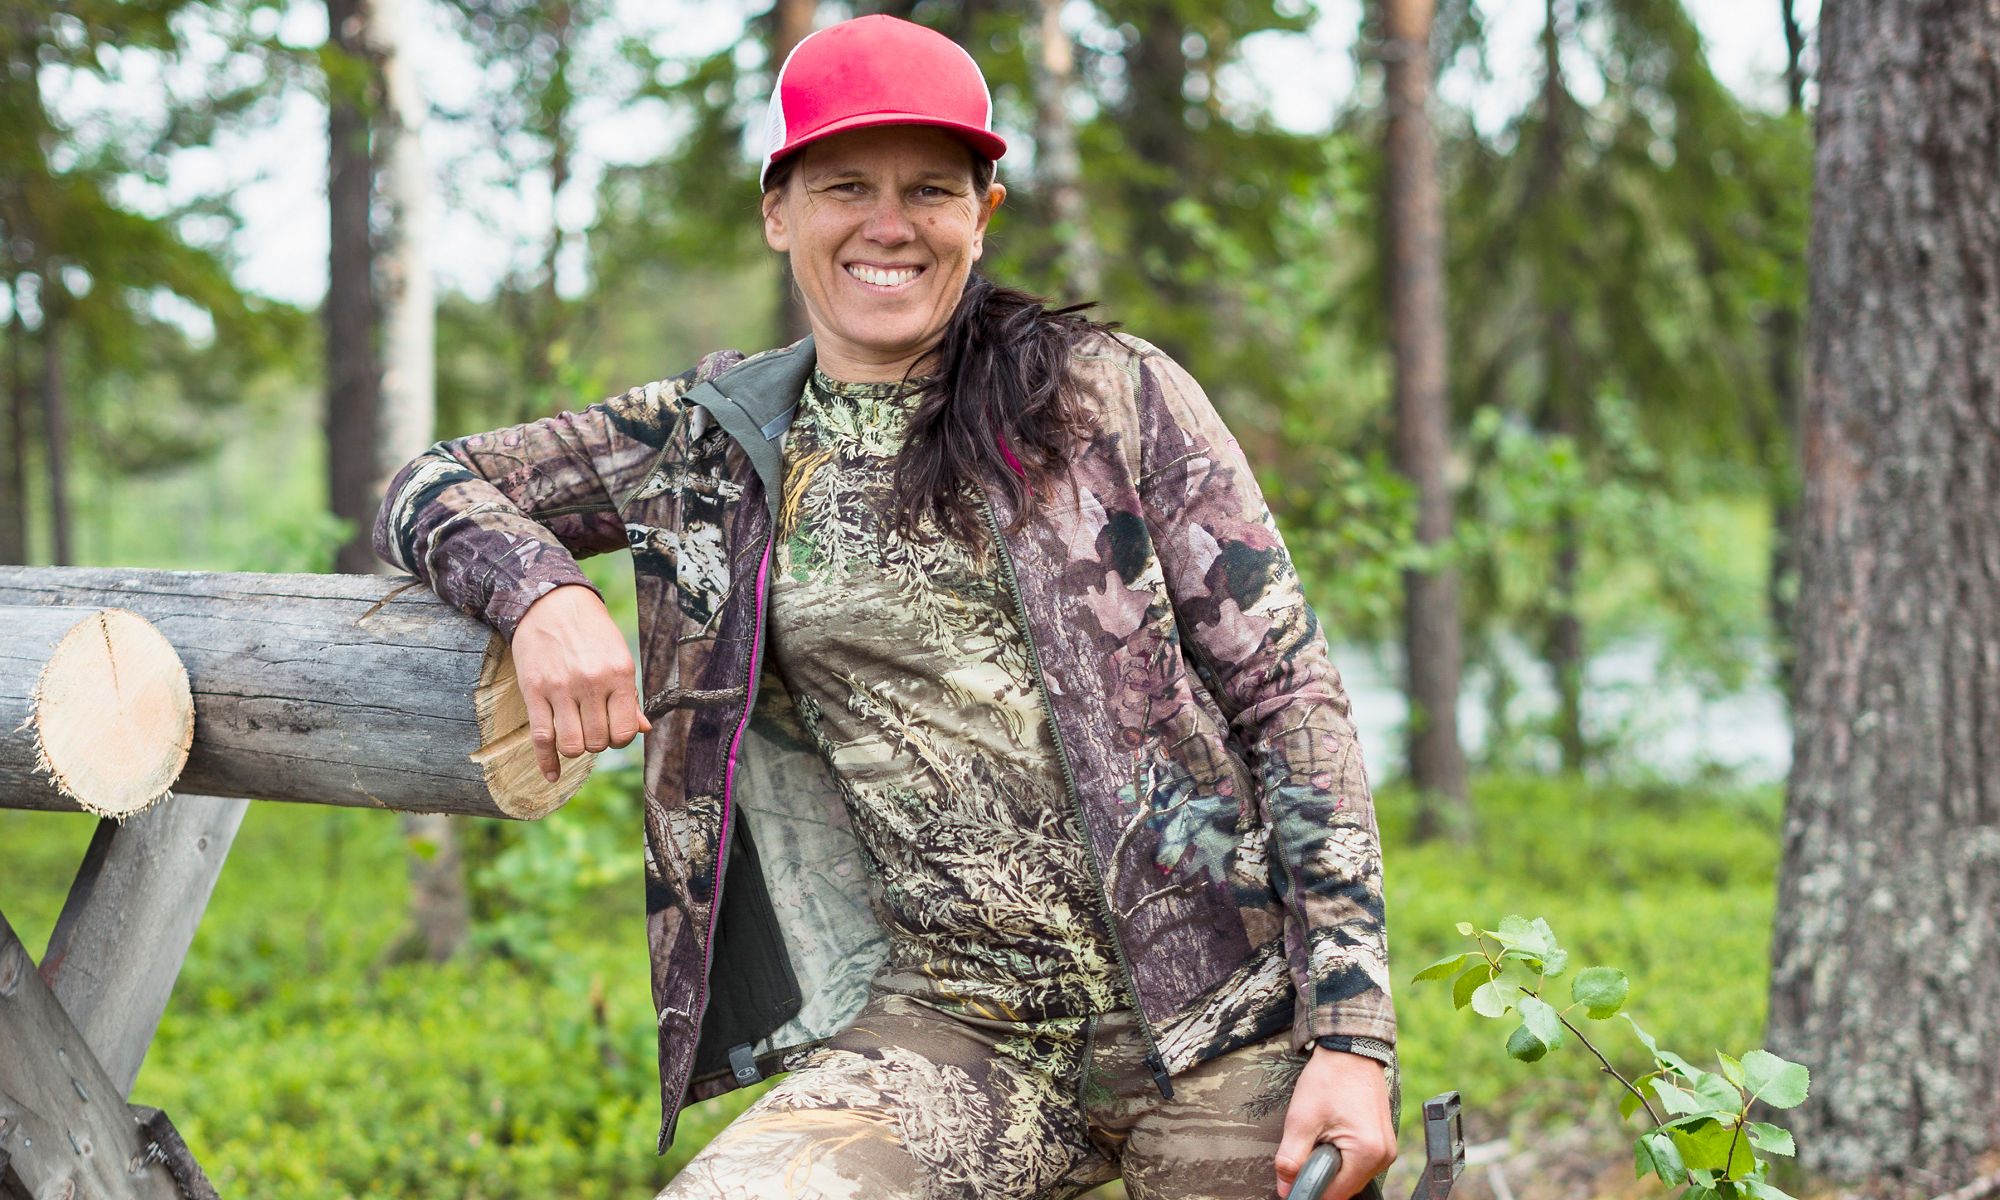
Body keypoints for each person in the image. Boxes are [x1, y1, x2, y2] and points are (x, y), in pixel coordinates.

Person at [374, 14, 1395, 1200]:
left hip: (1225, 1021)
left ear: (982, 213)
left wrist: (1349, 1033)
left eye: (929, 189)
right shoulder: (715, 442)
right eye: (845, 184)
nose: (887, 223)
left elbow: (1288, 698)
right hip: (960, 1034)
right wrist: (540, 591)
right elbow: (429, 481)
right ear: (779, 210)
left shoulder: (1109, 394)